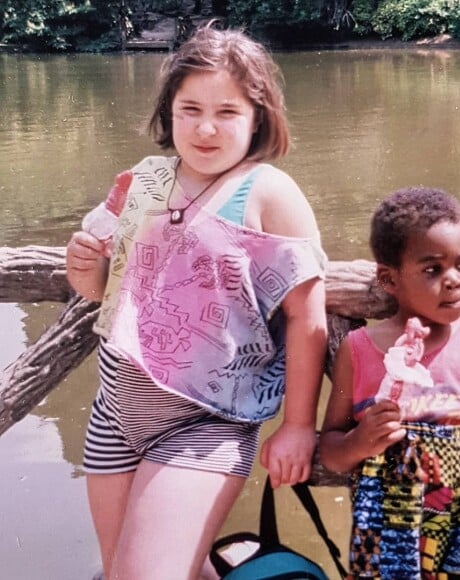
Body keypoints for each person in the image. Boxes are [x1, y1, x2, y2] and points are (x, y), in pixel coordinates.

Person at [66, 23, 327, 580]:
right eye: (190, 109)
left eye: (228, 112)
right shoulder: (145, 179)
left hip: (207, 420)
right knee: (121, 572)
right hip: (115, 412)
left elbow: (308, 318)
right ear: (169, 112)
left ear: (259, 117)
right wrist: (85, 268)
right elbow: (107, 295)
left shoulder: (266, 190)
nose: (206, 128)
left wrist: (299, 425)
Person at [319, 187, 460, 579]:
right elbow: (331, 445)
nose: (453, 280)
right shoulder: (358, 350)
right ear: (389, 279)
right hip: (390, 527)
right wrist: (358, 443)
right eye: (433, 269)